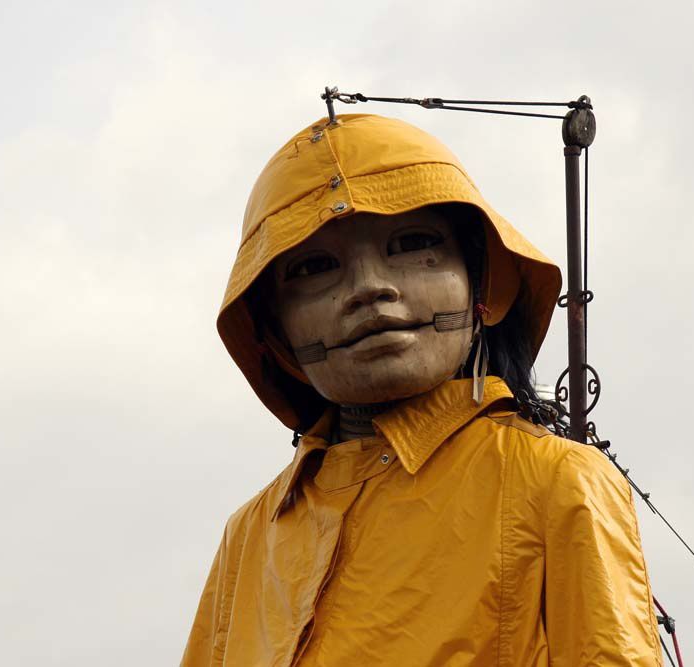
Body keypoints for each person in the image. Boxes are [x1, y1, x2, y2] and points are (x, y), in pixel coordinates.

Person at [182, 113, 662, 666]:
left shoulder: (557, 481)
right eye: (314, 267)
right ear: (273, 331)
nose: (369, 289)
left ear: (481, 281)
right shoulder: (248, 537)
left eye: (412, 243)